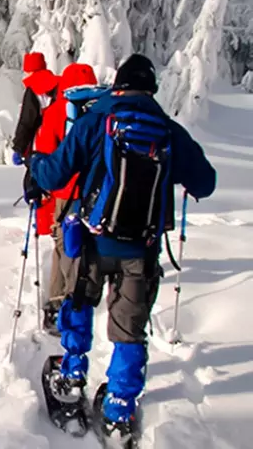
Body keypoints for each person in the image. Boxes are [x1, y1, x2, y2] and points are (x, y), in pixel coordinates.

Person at [29, 54, 216, 439]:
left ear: (118, 85)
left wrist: (35, 168)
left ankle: (72, 377)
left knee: (79, 304)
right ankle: (118, 410)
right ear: (151, 90)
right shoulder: (167, 129)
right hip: (141, 249)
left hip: (93, 241)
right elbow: (206, 183)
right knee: (129, 331)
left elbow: (56, 171)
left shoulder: (95, 119)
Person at [33, 63, 100, 333]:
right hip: (95, 192)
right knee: (88, 248)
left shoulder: (56, 111)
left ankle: (58, 303)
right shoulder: (101, 113)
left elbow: (46, 150)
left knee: (64, 245)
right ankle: (79, 298)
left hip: (65, 192)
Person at [12, 52, 59, 163]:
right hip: (60, 140)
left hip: (42, 143)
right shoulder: (57, 83)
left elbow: (27, 121)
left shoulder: (34, 88)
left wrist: (19, 147)